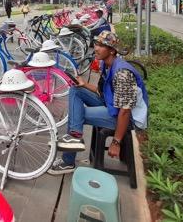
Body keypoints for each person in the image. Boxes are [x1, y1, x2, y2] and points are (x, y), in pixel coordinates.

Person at [48, 30, 149, 175]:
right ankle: (75, 136)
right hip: (111, 105)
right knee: (75, 91)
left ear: (112, 51)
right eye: (96, 43)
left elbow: (125, 111)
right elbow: (103, 92)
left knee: (77, 114)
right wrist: (84, 84)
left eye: (101, 45)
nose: (96, 48)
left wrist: (116, 142)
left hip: (127, 118)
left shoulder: (122, 74)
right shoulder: (106, 64)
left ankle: (68, 160)